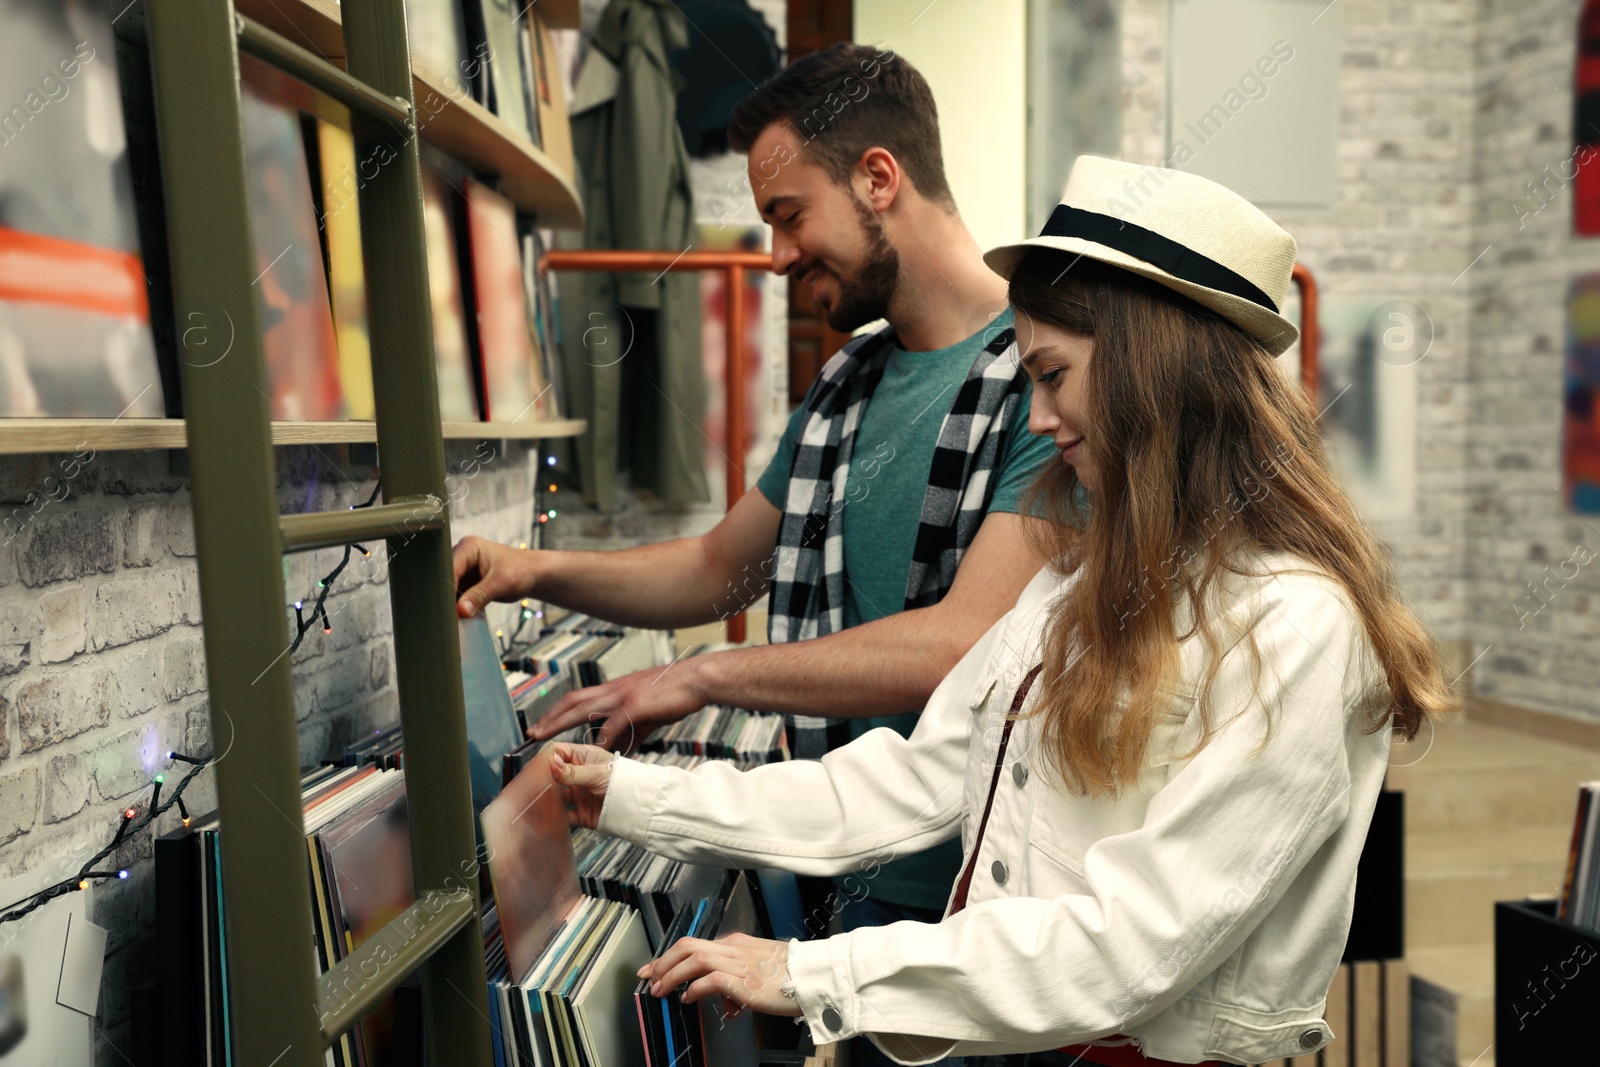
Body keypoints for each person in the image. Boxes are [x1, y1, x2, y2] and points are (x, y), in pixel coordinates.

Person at [540, 156, 1455, 1067]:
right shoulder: (1073, 589)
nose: (1043, 416)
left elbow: (1134, 941)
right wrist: (628, 794)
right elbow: (913, 780)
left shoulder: (1298, 624)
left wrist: (812, 971)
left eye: (1054, 374)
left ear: (1157, 370)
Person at [452, 40, 1056, 1007]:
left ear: (878, 178)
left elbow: (961, 645)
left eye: (786, 216)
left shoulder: (1044, 384)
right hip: (835, 872)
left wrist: (699, 673)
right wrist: (531, 569)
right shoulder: (844, 385)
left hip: (979, 909)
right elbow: (718, 568)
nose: (775, 258)